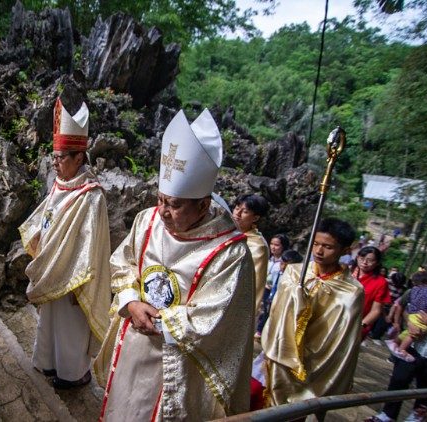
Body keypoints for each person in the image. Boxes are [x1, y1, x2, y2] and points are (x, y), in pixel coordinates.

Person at [94, 109, 255, 420]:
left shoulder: (229, 253)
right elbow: (124, 263)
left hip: (178, 361)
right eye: (160, 199)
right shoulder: (147, 221)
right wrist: (131, 302)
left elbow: (218, 315)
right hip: (133, 343)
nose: (163, 212)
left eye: (175, 204)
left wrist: (161, 321)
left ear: (204, 204)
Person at [19, 98, 111, 389]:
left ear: (79, 158)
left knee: (70, 326)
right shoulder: (59, 183)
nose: (55, 163)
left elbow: (93, 245)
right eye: (54, 156)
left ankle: (74, 374)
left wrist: (80, 282)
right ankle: (48, 363)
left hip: (74, 275)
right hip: (52, 265)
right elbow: (46, 215)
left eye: (61, 158)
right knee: (50, 320)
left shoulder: (92, 197)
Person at [254, 218, 364, 407]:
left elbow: (340, 337)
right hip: (278, 352)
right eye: (316, 244)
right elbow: (277, 311)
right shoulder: (295, 272)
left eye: (328, 247)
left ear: (344, 250)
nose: (319, 251)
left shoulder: (352, 291)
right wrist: (295, 298)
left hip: (312, 364)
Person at [367, 271, 427, 422]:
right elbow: (409, 310)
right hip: (415, 349)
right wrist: (410, 323)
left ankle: (415, 418)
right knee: (398, 380)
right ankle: (387, 415)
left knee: (426, 394)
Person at [385, 275, 427, 362]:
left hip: (413, 315)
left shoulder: (413, 290)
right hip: (422, 316)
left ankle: (395, 343)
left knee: (408, 333)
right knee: (414, 334)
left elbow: (399, 305)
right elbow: (400, 305)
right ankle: (401, 349)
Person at [233, 193, 270, 324]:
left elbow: (255, 282)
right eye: (237, 208)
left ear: (255, 218)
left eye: (245, 211)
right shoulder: (227, 233)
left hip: (236, 303)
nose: (237, 214)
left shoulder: (257, 245)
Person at [255, 248, 303, 336]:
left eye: (287, 265)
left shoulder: (295, 280)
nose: (283, 267)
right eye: (282, 263)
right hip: (272, 300)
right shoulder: (278, 273)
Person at [255, 234, 290, 337]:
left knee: (269, 310)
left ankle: (261, 331)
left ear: (283, 246)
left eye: (277, 245)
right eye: (271, 244)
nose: (273, 247)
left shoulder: (285, 262)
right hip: (264, 289)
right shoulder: (269, 259)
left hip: (275, 291)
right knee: (263, 309)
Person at [353, 246, 391, 339]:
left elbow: (376, 310)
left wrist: (361, 326)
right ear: (357, 257)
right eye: (362, 258)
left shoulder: (380, 282)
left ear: (377, 263)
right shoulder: (345, 272)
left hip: (358, 325)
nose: (365, 262)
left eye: (370, 260)